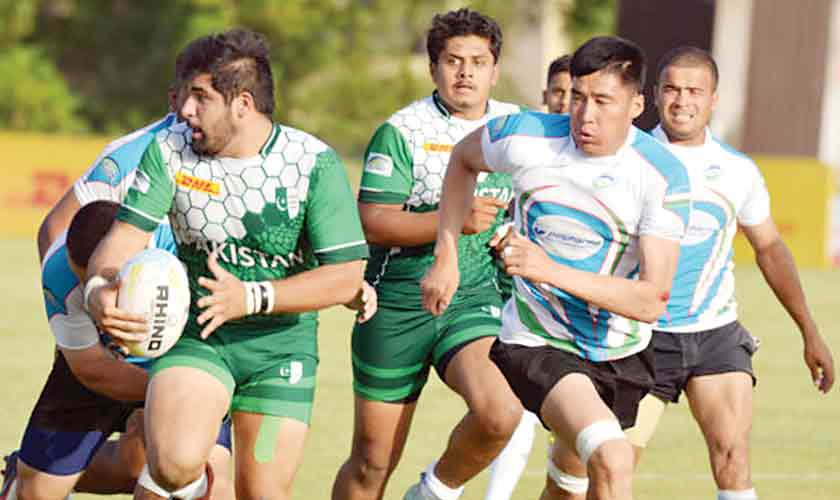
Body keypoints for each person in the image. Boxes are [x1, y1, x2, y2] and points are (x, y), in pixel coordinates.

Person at [84, 29, 371, 500]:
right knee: (173, 465)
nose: (184, 111)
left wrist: (252, 297)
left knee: (262, 494)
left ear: (242, 103)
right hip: (200, 336)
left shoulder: (312, 163)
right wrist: (99, 285)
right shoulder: (170, 152)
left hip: (281, 348)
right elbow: (123, 239)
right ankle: (200, 488)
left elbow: (345, 276)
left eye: (200, 97)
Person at [422, 36, 691, 500]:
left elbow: (651, 300)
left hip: (621, 350)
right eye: (578, 98)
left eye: (603, 101)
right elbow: (463, 160)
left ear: (636, 104)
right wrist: (446, 255)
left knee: (570, 485)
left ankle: (428, 493)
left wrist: (548, 269)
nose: (585, 116)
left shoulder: (662, 176)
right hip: (536, 340)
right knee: (612, 456)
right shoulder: (526, 137)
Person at [622, 46, 835, 500]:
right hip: (638, 335)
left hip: (713, 334)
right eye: (672, 89)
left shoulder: (738, 171)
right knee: (611, 468)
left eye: (694, 90)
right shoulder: (628, 158)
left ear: (714, 98)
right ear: (655, 95)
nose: (682, 101)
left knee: (734, 458)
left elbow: (771, 249)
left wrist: (810, 332)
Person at [331, 8, 526, 500]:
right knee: (372, 464)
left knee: (501, 412)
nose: (465, 73)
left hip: (471, 298)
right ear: (432, 68)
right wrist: (452, 220)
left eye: (477, 62)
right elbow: (370, 221)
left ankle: (433, 491)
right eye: (453, 60)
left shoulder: (514, 128)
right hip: (397, 303)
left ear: (495, 70)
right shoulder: (403, 131)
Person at [0, 200, 234, 500]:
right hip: (102, 365)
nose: (92, 299)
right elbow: (91, 369)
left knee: (201, 479)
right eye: (84, 284)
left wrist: (174, 395)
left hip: (178, 362)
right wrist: (160, 392)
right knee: (35, 493)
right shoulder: (59, 269)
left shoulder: (184, 244)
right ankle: (23, 471)